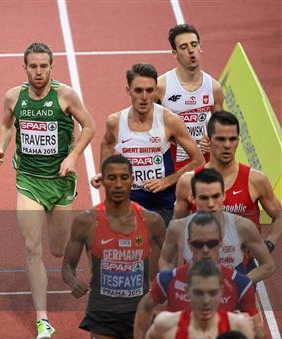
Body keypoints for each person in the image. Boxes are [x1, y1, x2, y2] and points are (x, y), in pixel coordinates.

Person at [0, 42, 95, 339]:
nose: (38, 72)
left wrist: (73, 156)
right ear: (25, 68)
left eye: (43, 66)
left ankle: (69, 263)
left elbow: (88, 126)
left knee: (57, 250)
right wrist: (0, 148)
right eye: (33, 66)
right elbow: (5, 124)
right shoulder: (14, 97)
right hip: (29, 180)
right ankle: (43, 320)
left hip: (61, 182)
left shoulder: (65, 96)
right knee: (32, 247)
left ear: (52, 67)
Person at [62, 155, 165, 339]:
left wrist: (162, 283)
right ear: (102, 181)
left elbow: (171, 258)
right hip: (103, 311)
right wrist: (73, 281)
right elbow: (67, 266)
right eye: (112, 178)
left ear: (132, 179)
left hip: (138, 312)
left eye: (124, 178)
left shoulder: (152, 221)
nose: (118, 184)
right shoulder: (86, 221)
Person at [133, 212, 264, 339]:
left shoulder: (239, 287)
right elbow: (145, 312)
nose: (205, 250)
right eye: (198, 244)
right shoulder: (168, 314)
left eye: (211, 243)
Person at [90, 63, 204, 225]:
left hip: (163, 204)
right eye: (138, 90)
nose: (144, 97)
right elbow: (107, 144)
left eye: (149, 90)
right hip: (129, 202)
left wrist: (167, 181)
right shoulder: (115, 122)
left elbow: (198, 160)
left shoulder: (170, 121)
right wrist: (105, 171)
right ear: (128, 90)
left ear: (156, 91)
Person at [173, 110, 281, 252]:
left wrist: (268, 244)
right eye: (221, 139)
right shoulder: (188, 181)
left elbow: (279, 215)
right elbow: (175, 228)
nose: (227, 145)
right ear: (208, 140)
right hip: (202, 269)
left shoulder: (255, 179)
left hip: (244, 269)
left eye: (232, 139)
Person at [160, 168, 275, 283]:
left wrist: (240, 285)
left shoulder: (243, 227)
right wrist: (171, 285)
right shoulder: (177, 228)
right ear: (193, 199)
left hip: (233, 298)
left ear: (224, 196)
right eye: (204, 198)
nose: (210, 204)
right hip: (193, 294)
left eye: (215, 196)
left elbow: (268, 265)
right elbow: (166, 261)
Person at [144, 260, 256, 339]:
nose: (206, 301)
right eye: (199, 293)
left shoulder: (239, 326)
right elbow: (151, 338)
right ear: (187, 291)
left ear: (221, 291)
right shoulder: (167, 322)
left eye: (212, 293)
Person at [156, 23, 225, 171]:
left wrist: (212, 140)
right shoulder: (161, 87)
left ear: (200, 48)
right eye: (183, 47)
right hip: (169, 161)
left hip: (202, 161)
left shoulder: (214, 88)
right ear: (174, 53)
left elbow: (220, 127)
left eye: (194, 45)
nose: (191, 51)